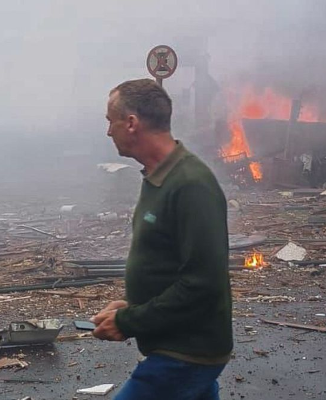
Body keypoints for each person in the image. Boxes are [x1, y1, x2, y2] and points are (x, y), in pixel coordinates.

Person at [91, 79, 233, 400]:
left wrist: (129, 321)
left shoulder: (191, 185)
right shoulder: (158, 177)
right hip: (177, 346)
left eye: (110, 121)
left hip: (185, 353)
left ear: (131, 124)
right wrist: (133, 304)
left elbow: (202, 283)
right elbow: (170, 264)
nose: (107, 131)